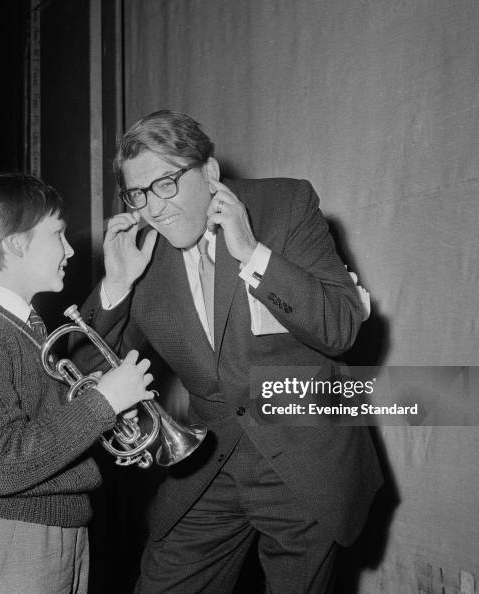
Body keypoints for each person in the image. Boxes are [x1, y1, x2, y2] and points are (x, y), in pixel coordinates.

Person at [74, 110, 383, 593]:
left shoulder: (285, 205)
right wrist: (115, 286)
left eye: (167, 184)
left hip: (303, 461)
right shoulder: (140, 254)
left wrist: (254, 253)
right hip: (207, 465)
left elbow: (341, 328)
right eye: (138, 194)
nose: (154, 208)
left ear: (211, 173)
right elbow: (83, 374)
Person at [0, 173, 154, 593]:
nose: (70, 248)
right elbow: (1, 465)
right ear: (15, 242)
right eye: (58, 233)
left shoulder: (21, 327)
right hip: (8, 540)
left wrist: (107, 404)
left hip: (53, 533)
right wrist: (101, 404)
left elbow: (53, 409)